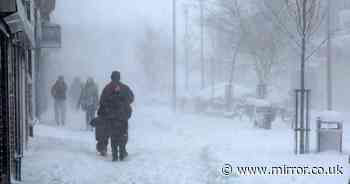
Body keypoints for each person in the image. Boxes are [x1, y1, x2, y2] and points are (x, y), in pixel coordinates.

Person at [97, 71, 134, 161]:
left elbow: (102, 101)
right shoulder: (125, 88)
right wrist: (124, 104)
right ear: (119, 77)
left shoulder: (107, 88)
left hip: (111, 116)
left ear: (111, 77)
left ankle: (112, 152)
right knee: (123, 133)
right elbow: (131, 98)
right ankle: (123, 150)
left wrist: (105, 110)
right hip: (123, 115)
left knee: (111, 134)